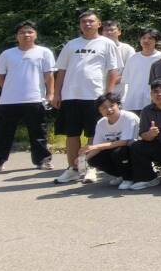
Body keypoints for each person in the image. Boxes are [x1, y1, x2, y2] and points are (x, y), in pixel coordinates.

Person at [52, 10, 123, 183]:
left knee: (93, 134)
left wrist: (108, 95)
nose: (87, 24)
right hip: (70, 96)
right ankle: (73, 169)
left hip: (95, 96)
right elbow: (61, 71)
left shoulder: (107, 44)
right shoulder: (71, 45)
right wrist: (56, 93)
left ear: (99, 24)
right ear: (80, 25)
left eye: (91, 21)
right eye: (84, 22)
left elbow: (113, 71)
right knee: (72, 134)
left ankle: (90, 168)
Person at [0, 21, 55, 174]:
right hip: (8, 100)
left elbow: (49, 76)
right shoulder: (7, 54)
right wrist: (10, 90)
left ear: (35, 34)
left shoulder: (44, 52)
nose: (26, 35)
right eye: (22, 32)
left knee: (38, 133)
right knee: (3, 134)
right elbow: (0, 76)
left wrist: (51, 94)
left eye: (29, 32)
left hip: (35, 99)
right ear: (17, 36)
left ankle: (43, 161)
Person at [81, 92, 139, 186]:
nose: (109, 109)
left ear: (118, 105)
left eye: (112, 105)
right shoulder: (101, 123)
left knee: (119, 151)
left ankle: (129, 178)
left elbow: (124, 142)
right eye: (104, 108)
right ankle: (121, 175)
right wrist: (84, 158)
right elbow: (97, 147)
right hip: (117, 150)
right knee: (93, 159)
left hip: (135, 150)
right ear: (99, 110)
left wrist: (95, 147)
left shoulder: (128, 117)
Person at [120, 29, 161, 115]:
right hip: (132, 102)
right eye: (143, 38)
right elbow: (126, 81)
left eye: (150, 38)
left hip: (154, 102)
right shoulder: (133, 58)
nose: (146, 40)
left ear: (156, 41)